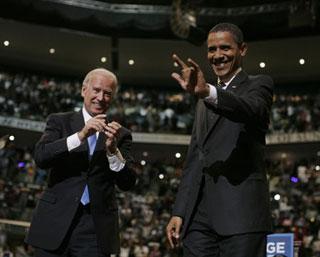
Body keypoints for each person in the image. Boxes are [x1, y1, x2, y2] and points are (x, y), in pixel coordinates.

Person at [166, 23, 273, 257]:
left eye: (225, 48)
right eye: (211, 50)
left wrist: (209, 93)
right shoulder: (202, 99)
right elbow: (195, 158)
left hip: (241, 215)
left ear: (242, 49)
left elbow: (252, 110)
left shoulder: (258, 84)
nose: (217, 56)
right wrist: (180, 211)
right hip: (199, 218)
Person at [25, 68, 137, 257]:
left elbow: (128, 183)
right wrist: (80, 135)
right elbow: (41, 157)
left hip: (95, 228)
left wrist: (113, 151)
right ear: (83, 90)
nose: (101, 97)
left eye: (107, 93)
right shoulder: (60, 121)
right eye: (96, 90)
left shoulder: (121, 135)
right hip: (54, 221)